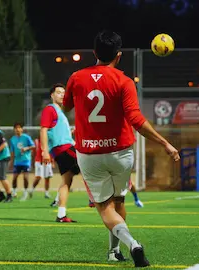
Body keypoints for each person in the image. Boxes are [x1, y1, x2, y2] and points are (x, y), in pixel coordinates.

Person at [63, 30, 180, 267]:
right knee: (119, 201)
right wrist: (165, 142)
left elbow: (66, 106)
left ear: (94, 52)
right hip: (121, 153)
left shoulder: (76, 77)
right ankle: (113, 252)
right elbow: (136, 119)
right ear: (119, 55)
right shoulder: (124, 81)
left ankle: (132, 244)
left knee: (105, 208)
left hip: (89, 153)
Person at [40, 83, 80, 223]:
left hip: (63, 148)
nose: (62, 95)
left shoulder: (60, 113)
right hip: (63, 148)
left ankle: (61, 215)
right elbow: (44, 130)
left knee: (66, 181)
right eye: (58, 92)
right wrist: (44, 151)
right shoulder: (50, 109)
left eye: (63, 92)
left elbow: (55, 131)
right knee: (89, 162)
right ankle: (94, 197)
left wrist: (70, 132)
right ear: (52, 95)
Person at [9, 123, 35, 201]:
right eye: (16, 128)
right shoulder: (12, 139)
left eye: (19, 128)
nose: (17, 129)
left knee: (25, 177)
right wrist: (11, 161)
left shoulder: (26, 137)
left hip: (26, 160)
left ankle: (25, 192)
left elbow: (33, 146)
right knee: (14, 177)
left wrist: (26, 148)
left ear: (21, 129)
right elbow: (12, 151)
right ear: (14, 130)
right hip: (17, 161)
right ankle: (14, 191)